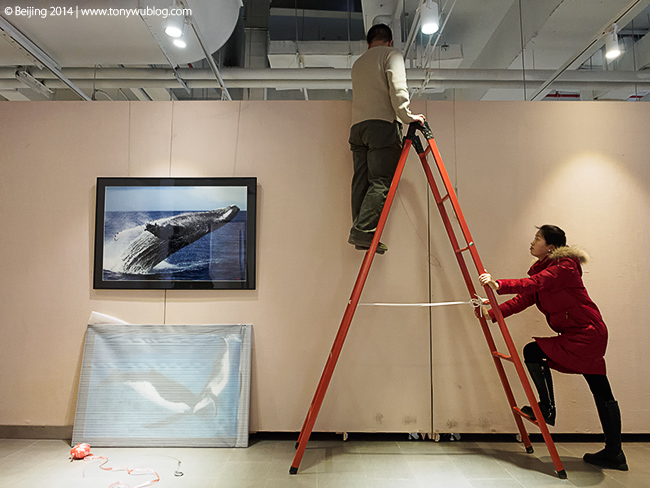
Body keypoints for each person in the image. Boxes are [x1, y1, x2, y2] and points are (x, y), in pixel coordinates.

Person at [478, 225, 627, 471]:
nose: (532, 242)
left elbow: (534, 283)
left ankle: (547, 410)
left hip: (588, 333)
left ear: (551, 247)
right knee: (601, 389)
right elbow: (523, 299)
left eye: (538, 238)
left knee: (534, 352)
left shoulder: (564, 267)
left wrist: (498, 284)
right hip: (578, 333)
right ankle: (615, 452)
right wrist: (492, 313)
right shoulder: (548, 270)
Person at [348, 23, 425, 254]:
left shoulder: (358, 63)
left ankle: (360, 232)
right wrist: (407, 116)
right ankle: (363, 231)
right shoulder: (392, 55)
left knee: (361, 181)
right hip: (381, 125)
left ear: (368, 44)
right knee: (381, 181)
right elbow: (398, 89)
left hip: (357, 128)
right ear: (390, 41)